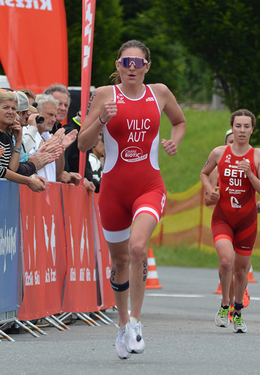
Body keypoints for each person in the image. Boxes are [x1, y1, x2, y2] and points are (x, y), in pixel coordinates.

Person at [78, 40, 186, 359]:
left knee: (138, 247)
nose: (132, 68)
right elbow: (83, 145)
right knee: (120, 261)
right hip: (112, 191)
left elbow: (179, 121)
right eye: (126, 62)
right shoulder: (104, 95)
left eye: (138, 63)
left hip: (149, 186)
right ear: (118, 65)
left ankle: (137, 322)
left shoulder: (160, 93)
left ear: (147, 67)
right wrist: (101, 120)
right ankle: (123, 323)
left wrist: (173, 141)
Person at [200, 109, 260, 333]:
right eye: (238, 126)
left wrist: (250, 175)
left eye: (246, 126)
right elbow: (204, 173)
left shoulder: (259, 156)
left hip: (247, 221)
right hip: (223, 217)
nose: (242, 130)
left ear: (252, 129)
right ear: (232, 127)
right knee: (225, 262)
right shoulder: (219, 153)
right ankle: (224, 305)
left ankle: (237, 312)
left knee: (241, 272)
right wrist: (211, 190)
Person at [22, 94, 75, 182]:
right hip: (31, 192)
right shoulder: (25, 133)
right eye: (50, 114)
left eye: (55, 115)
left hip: (48, 192)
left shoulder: (49, 137)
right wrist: (48, 147)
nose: (54, 120)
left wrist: (60, 149)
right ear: (36, 112)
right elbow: (26, 165)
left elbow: (58, 175)